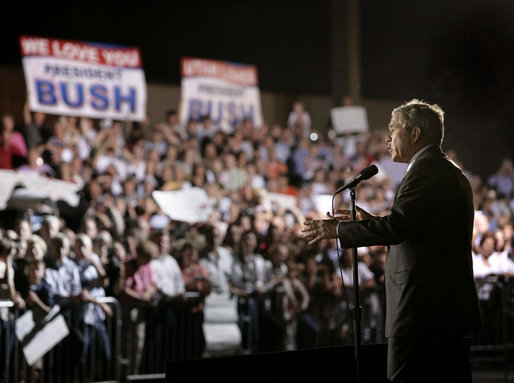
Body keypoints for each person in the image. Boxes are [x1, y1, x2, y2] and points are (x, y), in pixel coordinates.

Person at [301, 99, 482, 382]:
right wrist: (369, 222)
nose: (386, 137)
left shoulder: (426, 170)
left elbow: (397, 227)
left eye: (393, 128)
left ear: (415, 134)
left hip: (421, 309)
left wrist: (337, 230)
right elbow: (416, 230)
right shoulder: (447, 170)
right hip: (442, 307)